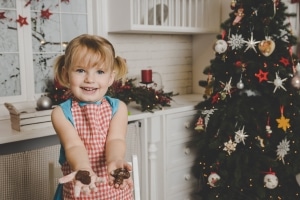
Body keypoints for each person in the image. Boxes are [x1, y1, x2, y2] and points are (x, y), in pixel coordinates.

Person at [51, 34, 133, 199]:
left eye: (100, 71)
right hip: (81, 190)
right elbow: (73, 146)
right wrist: (83, 170)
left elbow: (115, 139)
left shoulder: (118, 108)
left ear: (110, 77)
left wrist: (115, 160)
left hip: (114, 191)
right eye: (81, 70)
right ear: (66, 75)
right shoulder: (60, 113)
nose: (90, 79)